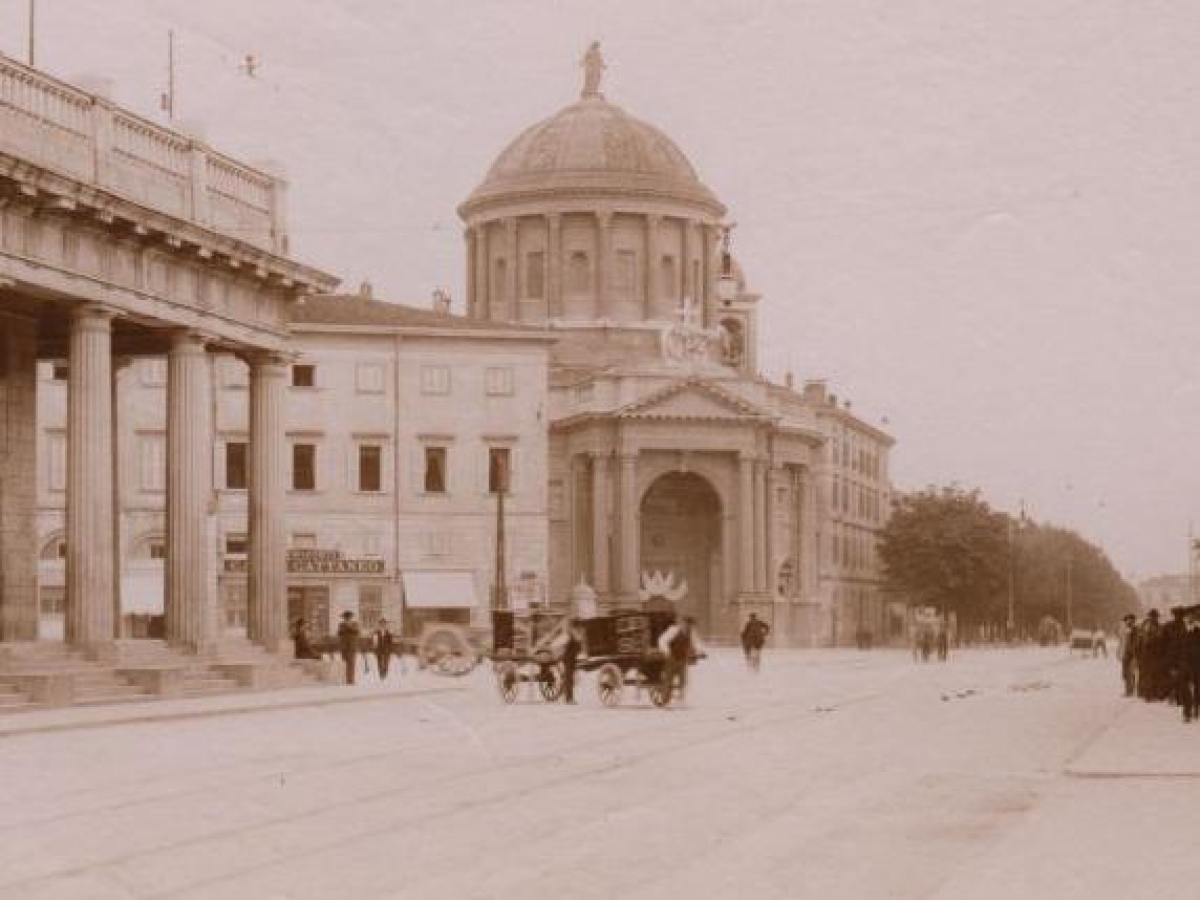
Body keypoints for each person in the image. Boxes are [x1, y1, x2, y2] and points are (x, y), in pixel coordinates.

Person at [657, 615, 705, 703]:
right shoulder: (674, 630)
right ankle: (665, 699)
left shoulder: (691, 632)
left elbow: (696, 642)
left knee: (683, 680)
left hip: (682, 659)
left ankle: (681, 699)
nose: (689, 627)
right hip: (672, 658)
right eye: (688, 624)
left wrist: (701, 651)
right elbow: (662, 640)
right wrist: (666, 652)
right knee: (668, 679)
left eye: (691, 625)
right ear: (683, 623)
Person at [559, 619, 582, 704]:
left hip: (572, 658)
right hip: (568, 658)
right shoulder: (570, 634)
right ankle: (569, 699)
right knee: (569, 678)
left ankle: (567, 696)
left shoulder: (574, 634)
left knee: (570, 678)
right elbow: (564, 644)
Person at [337, 610, 361, 685]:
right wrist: (345, 628)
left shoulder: (355, 624)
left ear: (351, 618)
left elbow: (357, 632)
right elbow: (339, 633)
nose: (347, 619)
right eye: (345, 618)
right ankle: (345, 679)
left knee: (351, 664)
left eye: (348, 617)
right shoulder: (341, 625)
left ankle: (351, 680)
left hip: (352, 647)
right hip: (344, 647)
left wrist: (349, 626)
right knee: (344, 664)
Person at [1117, 613, 1138, 697]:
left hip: (1132, 654)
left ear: (1133, 621)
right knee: (1125, 673)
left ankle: (1130, 691)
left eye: (1131, 620)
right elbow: (1121, 642)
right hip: (1125, 654)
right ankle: (1128, 690)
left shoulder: (1135, 630)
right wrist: (1119, 652)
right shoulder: (1124, 630)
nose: (1128, 621)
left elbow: (1136, 642)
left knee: (1131, 672)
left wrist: (1133, 651)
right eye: (1127, 620)